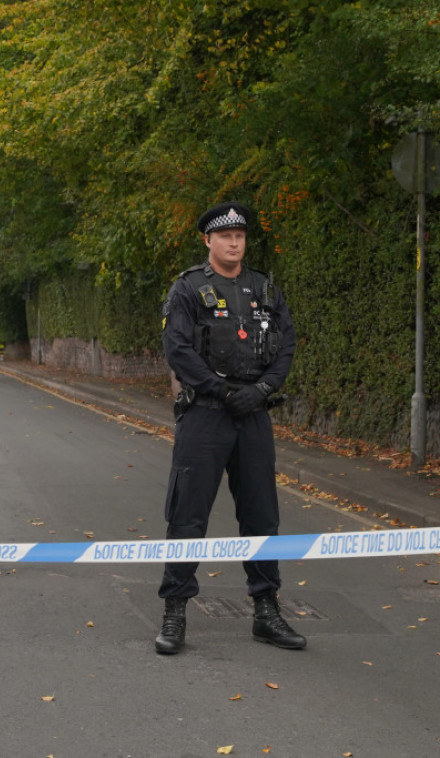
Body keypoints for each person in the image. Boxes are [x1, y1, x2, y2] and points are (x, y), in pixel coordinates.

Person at [155, 201, 305, 655]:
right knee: (188, 516)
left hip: (254, 415)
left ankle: (266, 611)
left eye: (240, 235)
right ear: (208, 241)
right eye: (225, 236)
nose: (234, 242)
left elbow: (287, 343)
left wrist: (262, 390)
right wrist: (220, 393)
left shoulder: (265, 288)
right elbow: (177, 349)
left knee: (261, 516)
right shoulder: (188, 288)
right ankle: (175, 613)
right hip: (206, 415)